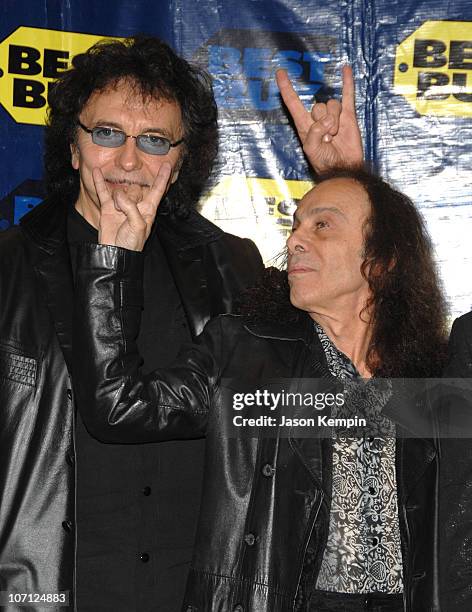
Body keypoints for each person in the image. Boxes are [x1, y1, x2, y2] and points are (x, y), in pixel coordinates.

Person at [72, 155, 448, 609]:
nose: (296, 241)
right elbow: (119, 406)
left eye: (322, 226)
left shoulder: (431, 376)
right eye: (296, 226)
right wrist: (114, 261)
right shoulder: (244, 354)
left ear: (383, 260)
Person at [0, 35, 264, 611]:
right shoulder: (8, 268)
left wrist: (343, 176)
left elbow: (316, 375)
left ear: (181, 160)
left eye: (153, 141)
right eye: (107, 133)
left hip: (195, 593)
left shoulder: (231, 265)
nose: (128, 160)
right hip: (45, 593)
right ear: (73, 147)